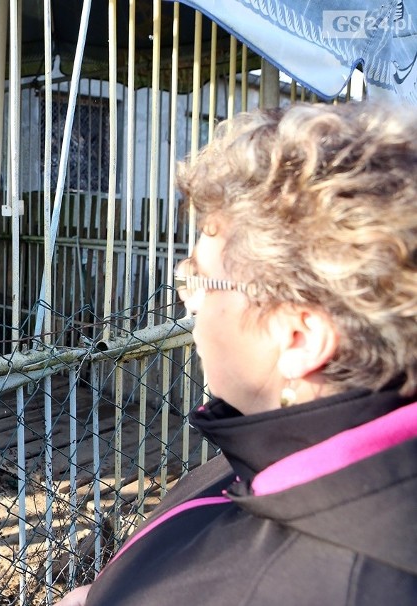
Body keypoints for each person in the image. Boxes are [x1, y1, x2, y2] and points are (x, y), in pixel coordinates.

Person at [56, 102, 417, 605]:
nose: (189, 302)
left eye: (201, 280)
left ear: (297, 338)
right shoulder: (287, 453)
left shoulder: (338, 584)